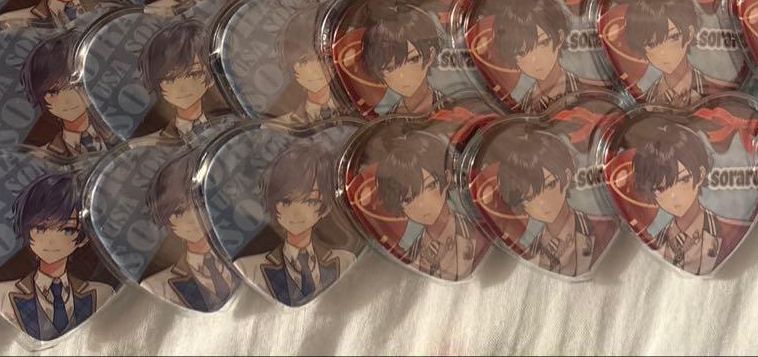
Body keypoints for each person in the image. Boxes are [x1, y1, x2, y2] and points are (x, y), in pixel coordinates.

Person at [0, 173, 113, 341]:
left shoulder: (103, 294)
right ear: (26, 229)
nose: (51, 241)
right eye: (41, 228)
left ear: (84, 237)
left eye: (67, 229)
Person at [235, 143, 356, 306]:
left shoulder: (344, 260)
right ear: (273, 203)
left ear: (326, 207)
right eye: (286, 202)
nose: (296, 213)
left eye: (310, 201)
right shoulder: (250, 267)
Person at [495, 127, 610, 275]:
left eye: (550, 185)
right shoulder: (532, 252)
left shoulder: (603, 226)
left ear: (566, 177)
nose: (542, 202)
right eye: (528, 198)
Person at [374, 128, 478, 280]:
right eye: (408, 200)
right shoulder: (412, 254)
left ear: (447, 177)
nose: (421, 204)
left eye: (430, 186)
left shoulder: (474, 227)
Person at [140, 150, 237, 311]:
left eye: (199, 204)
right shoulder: (160, 285)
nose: (193, 218)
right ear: (167, 218)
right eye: (179, 212)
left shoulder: (244, 253)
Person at [631, 119, 724, 274]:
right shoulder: (658, 241)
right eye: (660, 188)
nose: (674, 196)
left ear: (700, 175)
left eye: (683, 179)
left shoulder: (724, 229)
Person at [486, 0, 578, 111]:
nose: (535, 59)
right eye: (521, 52)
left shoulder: (588, 92)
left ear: (560, 37)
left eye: (543, 43)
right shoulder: (521, 110)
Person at [620, 0, 707, 106]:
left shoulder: (713, 88)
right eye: (651, 44)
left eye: (673, 37)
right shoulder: (647, 100)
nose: (663, 52)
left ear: (689, 34)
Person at [19, 32, 109, 157]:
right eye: (53, 92)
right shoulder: (44, 156)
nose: (67, 100)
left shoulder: (119, 126)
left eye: (75, 85)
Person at [136, 21, 228, 138]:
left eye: (194, 74)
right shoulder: (157, 140)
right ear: (157, 83)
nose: (182, 87)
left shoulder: (229, 119)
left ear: (210, 76)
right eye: (170, 79)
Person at [360, 0, 449, 116]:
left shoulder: (451, 107)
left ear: (430, 55)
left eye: (413, 59)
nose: (403, 75)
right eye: (389, 67)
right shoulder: (388, 121)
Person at [276, 7, 339, 124]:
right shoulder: (281, 125)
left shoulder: (361, 96)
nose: (317, 67)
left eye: (323, 56)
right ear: (291, 70)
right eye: (304, 62)